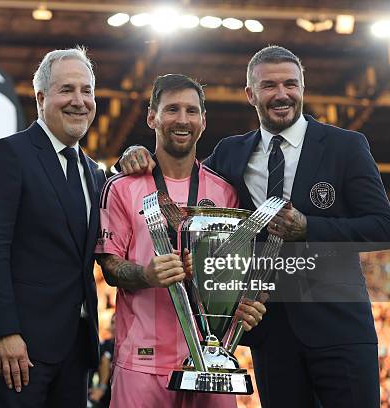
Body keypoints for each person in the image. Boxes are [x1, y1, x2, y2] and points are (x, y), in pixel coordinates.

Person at [119, 47, 390, 407]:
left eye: (290, 84)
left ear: (302, 88)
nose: (281, 94)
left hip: (338, 327)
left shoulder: (346, 146)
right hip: (269, 330)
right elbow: (182, 175)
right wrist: (132, 157)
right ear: (251, 94)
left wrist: (309, 228)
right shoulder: (231, 153)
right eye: (269, 85)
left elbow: (383, 228)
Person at [97, 74, 266, 408]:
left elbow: (230, 275)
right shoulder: (122, 186)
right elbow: (110, 266)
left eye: (191, 111)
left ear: (203, 121)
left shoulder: (224, 193)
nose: (182, 119)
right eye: (171, 109)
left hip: (211, 358)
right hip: (142, 363)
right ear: (152, 117)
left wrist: (245, 303)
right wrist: (147, 275)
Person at [0, 47, 106, 408]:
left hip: (76, 349)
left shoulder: (95, 173)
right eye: (67, 90)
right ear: (41, 97)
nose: (79, 101)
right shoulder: (9, 155)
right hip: (19, 351)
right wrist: (4, 332)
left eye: (87, 91)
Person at [88, 314, 115, 408]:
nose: (114, 326)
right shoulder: (103, 346)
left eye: (117, 323)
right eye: (112, 322)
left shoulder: (131, 349)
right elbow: (94, 366)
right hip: (104, 396)